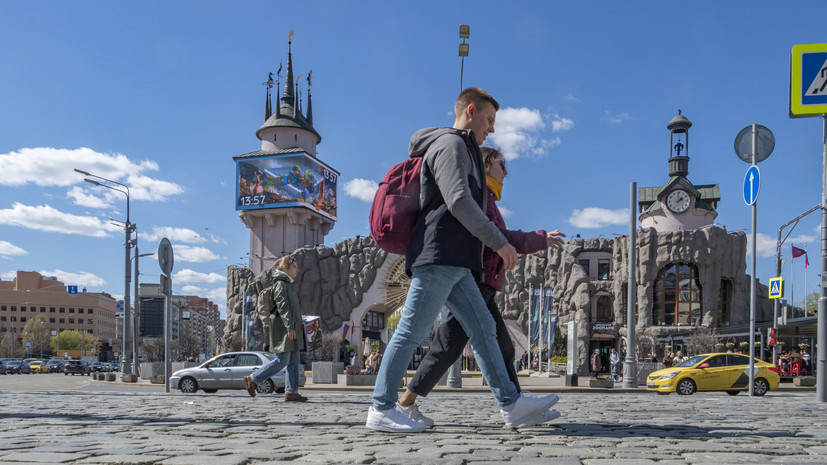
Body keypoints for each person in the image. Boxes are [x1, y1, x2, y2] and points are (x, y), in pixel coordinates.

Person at [365, 87, 559, 433]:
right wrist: (500, 243)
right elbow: (458, 201)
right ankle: (381, 408)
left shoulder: (462, 150)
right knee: (411, 330)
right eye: (489, 120)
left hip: (457, 260)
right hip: (439, 255)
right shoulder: (450, 145)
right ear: (470, 111)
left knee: (483, 328)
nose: (492, 129)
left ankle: (511, 404)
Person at [395, 147, 566, 426]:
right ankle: (404, 403)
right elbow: (499, 236)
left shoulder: (487, 198)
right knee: (447, 346)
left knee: (499, 347)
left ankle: (518, 407)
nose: (506, 171)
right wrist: (540, 238)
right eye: (501, 163)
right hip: (473, 282)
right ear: (485, 165)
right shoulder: (480, 196)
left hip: (482, 284)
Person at [244, 256, 307, 402]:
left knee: (293, 360)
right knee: (283, 360)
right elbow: (283, 307)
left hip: (291, 328)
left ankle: (291, 391)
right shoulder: (280, 284)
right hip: (284, 329)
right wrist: (290, 326)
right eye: (294, 266)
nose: (297, 269)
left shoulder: (287, 285)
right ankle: (253, 378)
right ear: (285, 268)